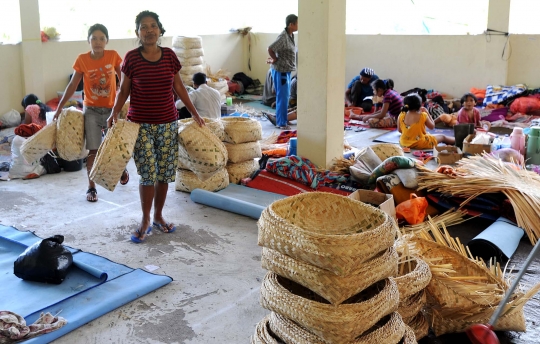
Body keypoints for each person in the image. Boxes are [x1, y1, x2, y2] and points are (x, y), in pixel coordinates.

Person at [107, 10, 205, 244]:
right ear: (137, 33)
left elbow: (180, 88)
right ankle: (145, 219)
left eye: (153, 26)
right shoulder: (131, 58)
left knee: (164, 173)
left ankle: (159, 215)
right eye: (143, 26)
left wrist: (194, 112)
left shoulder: (170, 56)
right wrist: (113, 113)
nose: (149, 30)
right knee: (147, 174)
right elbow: (124, 90)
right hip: (139, 125)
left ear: (160, 30)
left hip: (167, 124)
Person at [52, 24, 128, 202]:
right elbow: (72, 86)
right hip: (91, 111)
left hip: (112, 110)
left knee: (115, 147)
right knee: (93, 150)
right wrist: (59, 107)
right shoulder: (82, 60)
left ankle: (120, 169)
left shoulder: (113, 56)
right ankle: (91, 188)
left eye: (102, 38)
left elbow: (125, 80)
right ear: (88, 41)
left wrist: (125, 103)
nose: (98, 42)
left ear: (107, 41)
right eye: (94, 38)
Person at [267, 14, 298, 130]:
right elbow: (270, 48)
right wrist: (274, 59)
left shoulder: (290, 36)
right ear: (291, 24)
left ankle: (283, 119)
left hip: (286, 70)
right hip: (281, 71)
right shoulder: (283, 37)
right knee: (282, 97)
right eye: (297, 23)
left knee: (285, 96)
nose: (299, 25)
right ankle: (281, 123)